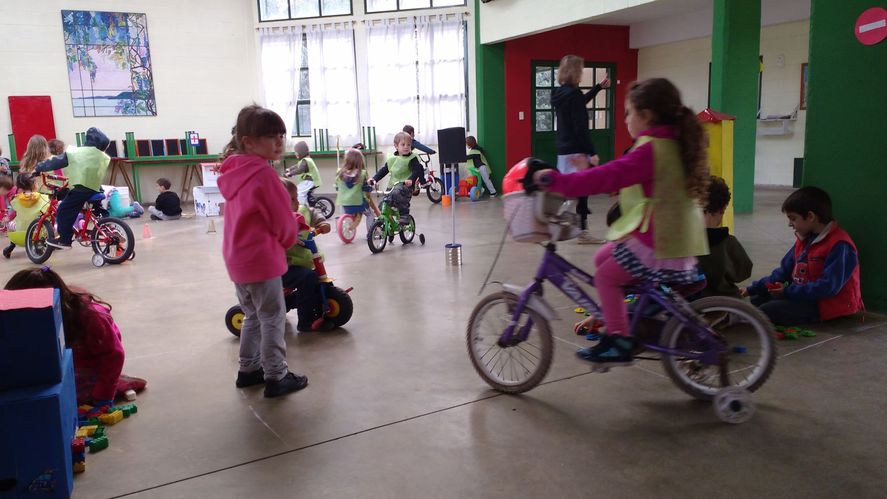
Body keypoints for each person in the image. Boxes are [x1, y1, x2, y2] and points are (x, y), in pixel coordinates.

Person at [530, 77, 709, 367]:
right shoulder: (670, 141)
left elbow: (612, 176)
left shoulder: (652, 148)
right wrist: (591, 169)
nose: (625, 120)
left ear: (646, 115)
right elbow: (627, 179)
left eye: (628, 113)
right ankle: (630, 314)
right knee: (604, 257)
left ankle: (619, 339)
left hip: (659, 237)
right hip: (670, 232)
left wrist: (559, 181)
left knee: (605, 277)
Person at [217, 104, 308, 398]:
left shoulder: (234, 172)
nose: (279, 142)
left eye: (281, 135)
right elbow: (282, 222)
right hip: (261, 260)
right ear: (249, 142)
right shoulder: (264, 175)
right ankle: (276, 375)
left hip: (237, 259)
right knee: (272, 317)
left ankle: (248, 369)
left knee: (253, 315)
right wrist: (286, 240)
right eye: (271, 137)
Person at [3, 267, 136, 406]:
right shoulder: (20, 320)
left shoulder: (91, 316)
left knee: (70, 396)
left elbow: (113, 356)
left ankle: (112, 385)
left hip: (89, 365)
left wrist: (103, 396)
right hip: (61, 364)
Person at [743, 186, 862, 326]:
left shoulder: (840, 244)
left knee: (767, 310)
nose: (790, 224)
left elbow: (828, 287)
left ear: (810, 216)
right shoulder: (805, 239)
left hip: (826, 305)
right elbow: (783, 272)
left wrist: (787, 292)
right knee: (758, 297)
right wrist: (752, 289)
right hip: (804, 295)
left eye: (793, 219)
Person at [551, 55, 611, 245]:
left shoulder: (559, 94)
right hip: (577, 149)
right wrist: (591, 152)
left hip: (563, 148)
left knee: (571, 188)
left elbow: (579, 103)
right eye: (581, 70)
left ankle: (570, 224)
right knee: (580, 191)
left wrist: (598, 87)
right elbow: (580, 128)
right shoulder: (573, 95)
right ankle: (579, 230)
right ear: (576, 71)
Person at [35, 127, 111, 250]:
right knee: (96, 211)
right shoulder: (102, 156)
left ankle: (64, 240)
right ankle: (108, 225)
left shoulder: (77, 152)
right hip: (97, 189)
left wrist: (39, 167)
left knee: (64, 211)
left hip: (81, 189)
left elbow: (56, 162)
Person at [280, 178, 334, 332]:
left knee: (313, 280)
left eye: (296, 197)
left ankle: (292, 302)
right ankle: (305, 322)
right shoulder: (277, 221)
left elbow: (312, 211)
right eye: (291, 199)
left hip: (304, 261)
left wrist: (321, 223)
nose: (296, 202)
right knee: (308, 278)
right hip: (285, 267)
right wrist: (288, 239)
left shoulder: (301, 209)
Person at [696, 176, 752, 298]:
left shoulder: (683, 241)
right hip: (725, 301)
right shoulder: (728, 242)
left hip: (690, 303)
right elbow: (743, 272)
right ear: (722, 209)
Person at [369, 132, 423, 224]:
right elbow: (384, 170)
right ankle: (384, 225)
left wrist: (411, 179)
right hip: (392, 186)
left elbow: (416, 170)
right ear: (396, 146)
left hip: (405, 187)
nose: (406, 147)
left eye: (408, 145)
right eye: (403, 144)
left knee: (397, 194)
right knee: (383, 204)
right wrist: (374, 179)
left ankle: (404, 215)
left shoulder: (412, 158)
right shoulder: (392, 159)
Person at [3, 173, 50, 258]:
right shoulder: (43, 198)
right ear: (35, 184)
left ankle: (12, 245)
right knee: (54, 223)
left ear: (19, 187)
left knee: (10, 223)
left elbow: (11, 214)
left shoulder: (16, 200)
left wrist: (7, 219)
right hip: (38, 231)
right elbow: (48, 213)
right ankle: (39, 245)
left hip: (20, 232)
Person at [335, 148, 375, 231]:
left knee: (352, 215)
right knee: (370, 214)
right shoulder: (361, 173)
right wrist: (371, 188)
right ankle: (371, 232)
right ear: (360, 161)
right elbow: (366, 188)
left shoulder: (340, 173)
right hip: (359, 203)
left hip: (345, 203)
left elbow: (336, 186)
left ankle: (348, 227)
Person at [285, 141, 322, 205]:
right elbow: (297, 166)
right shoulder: (305, 159)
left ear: (301, 152)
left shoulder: (305, 160)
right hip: (309, 180)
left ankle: (303, 209)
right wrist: (289, 169)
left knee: (300, 193)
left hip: (310, 180)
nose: (295, 154)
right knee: (299, 190)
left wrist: (290, 173)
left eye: (296, 152)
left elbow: (300, 169)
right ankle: (306, 205)